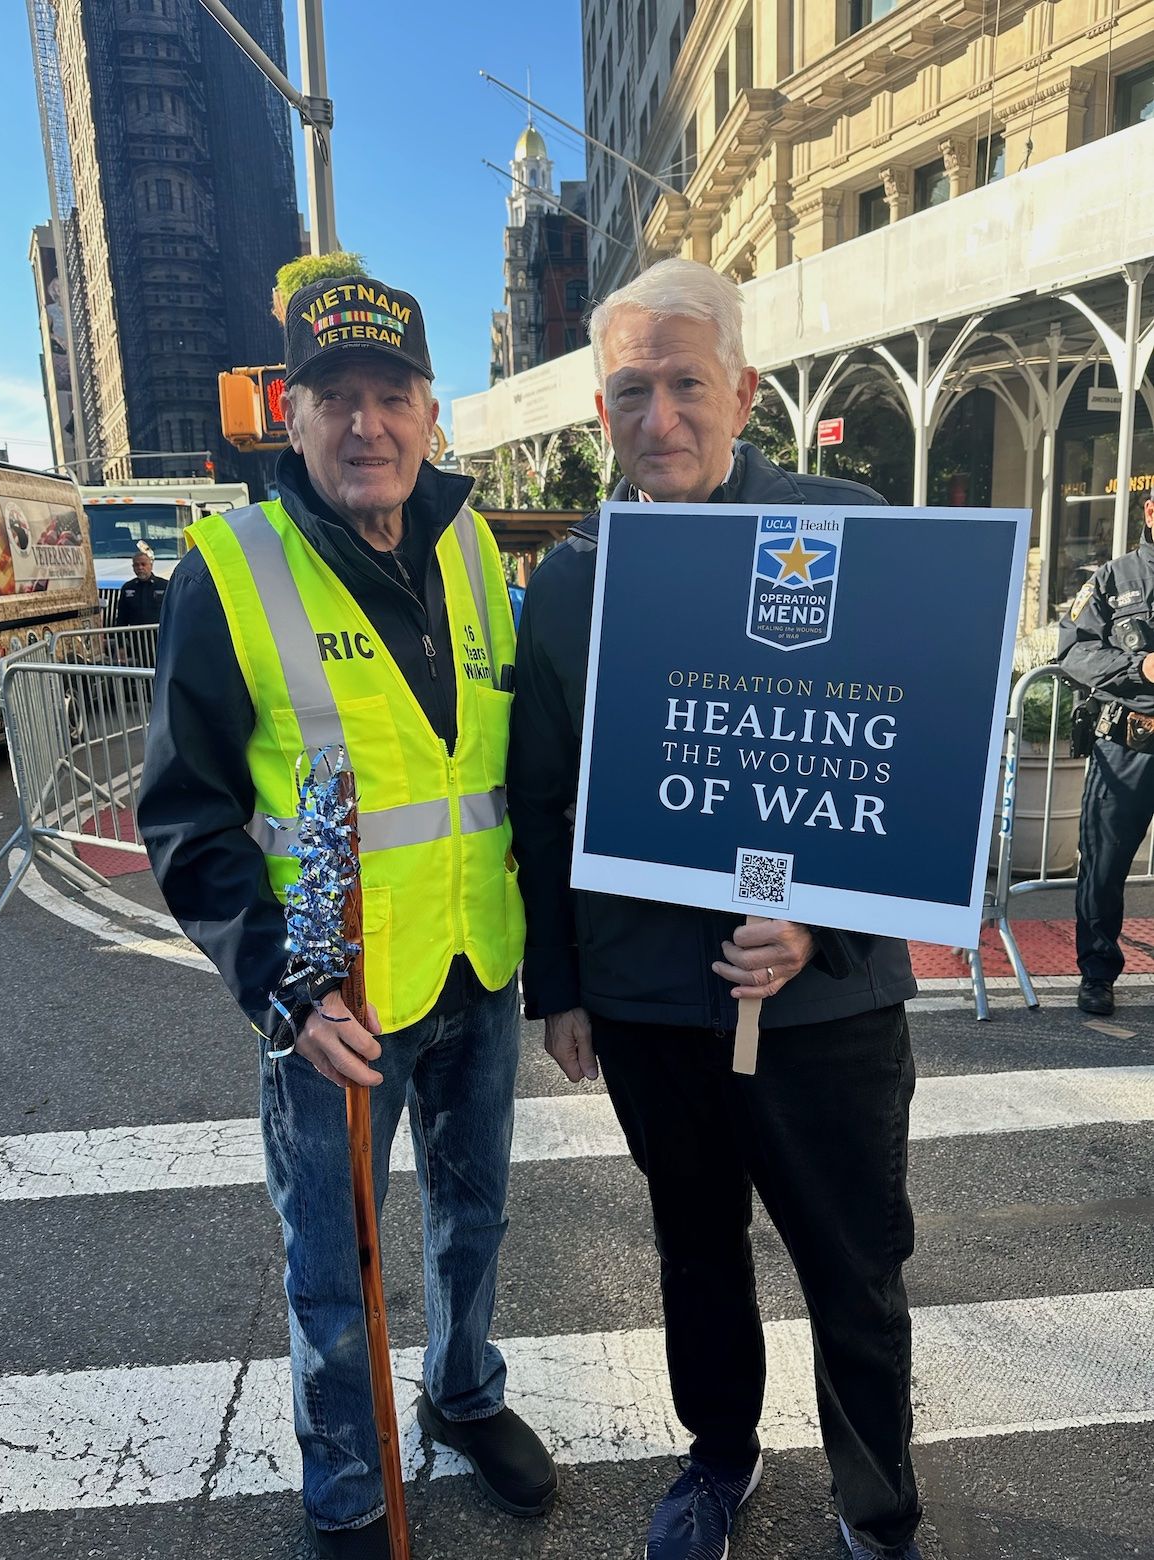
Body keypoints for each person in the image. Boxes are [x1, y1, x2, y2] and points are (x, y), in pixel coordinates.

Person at [507, 258, 922, 1560]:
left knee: (852, 1267)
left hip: (825, 1005)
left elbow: (912, 758)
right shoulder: (571, 584)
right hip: (647, 1002)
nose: (661, 414)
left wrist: (820, 919)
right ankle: (718, 1459)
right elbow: (542, 800)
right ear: (599, 414)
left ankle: (874, 1505)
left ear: (741, 390)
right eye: (631, 390)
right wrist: (559, 986)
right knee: (695, 1248)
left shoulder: (840, 524)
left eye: (686, 383)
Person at [139, 272, 555, 1559]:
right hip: (335, 1000)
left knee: (474, 1218)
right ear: (292, 415)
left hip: (479, 966)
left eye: (392, 397)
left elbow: (500, 769)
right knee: (333, 1265)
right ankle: (346, 1482)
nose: (365, 425)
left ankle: (462, 1393)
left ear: (431, 413)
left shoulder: (474, 547)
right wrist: (282, 987)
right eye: (336, 400)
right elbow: (188, 815)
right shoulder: (231, 570)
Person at [1057, 488, 1154, 1017]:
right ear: (1150, 511)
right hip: (1128, 744)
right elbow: (1074, 649)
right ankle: (1097, 973)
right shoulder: (1114, 579)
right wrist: (1140, 671)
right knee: (1104, 864)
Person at [115, 544, 168, 626]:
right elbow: (122, 616)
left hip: (158, 635)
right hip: (135, 635)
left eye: (143, 564)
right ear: (133, 567)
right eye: (136, 565)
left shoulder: (164, 586)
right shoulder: (127, 587)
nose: (140, 567)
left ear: (151, 566)